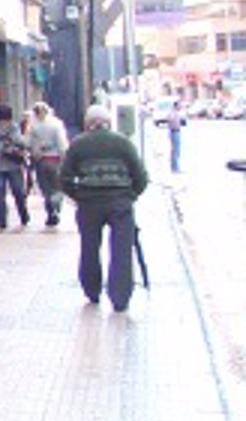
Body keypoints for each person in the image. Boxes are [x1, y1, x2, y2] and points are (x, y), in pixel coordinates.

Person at [59, 103, 149, 311]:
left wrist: (79, 195)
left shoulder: (78, 145)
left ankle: (92, 291)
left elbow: (64, 178)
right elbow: (141, 177)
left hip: (89, 204)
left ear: (88, 123)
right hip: (120, 203)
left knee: (89, 248)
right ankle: (120, 297)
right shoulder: (123, 143)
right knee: (121, 250)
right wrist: (130, 195)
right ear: (109, 122)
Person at [0, 104, 31, 229]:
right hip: (12, 164)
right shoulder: (13, 128)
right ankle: (23, 216)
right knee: (18, 191)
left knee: (0, 193)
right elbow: (21, 142)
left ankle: (1, 220)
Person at [27, 101, 69, 227]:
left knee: (45, 190)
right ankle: (56, 207)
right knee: (57, 187)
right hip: (55, 160)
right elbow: (62, 143)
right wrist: (64, 157)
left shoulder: (33, 126)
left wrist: (35, 153)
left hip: (40, 161)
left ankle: (50, 211)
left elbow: (29, 143)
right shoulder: (56, 124)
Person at [162, 97, 187, 174]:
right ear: (176, 106)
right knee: (175, 150)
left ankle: (175, 167)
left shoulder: (176, 112)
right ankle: (175, 168)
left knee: (176, 150)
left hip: (176, 131)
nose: (180, 107)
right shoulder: (172, 112)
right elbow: (170, 119)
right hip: (174, 132)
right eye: (179, 106)